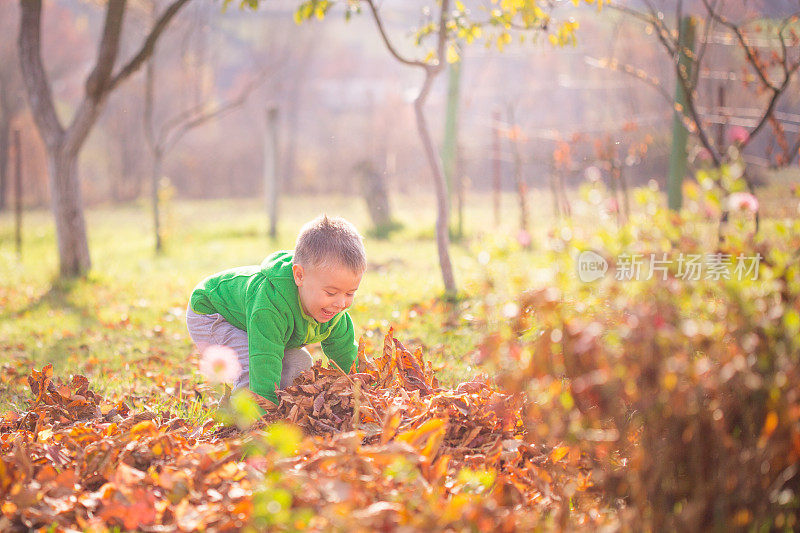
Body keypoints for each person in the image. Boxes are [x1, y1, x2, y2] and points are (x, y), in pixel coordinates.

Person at [185, 215, 365, 408]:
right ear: (299, 276)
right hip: (211, 312)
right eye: (331, 293)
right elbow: (264, 361)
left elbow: (347, 358)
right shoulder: (270, 304)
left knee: (300, 361)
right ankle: (242, 420)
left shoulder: (334, 312)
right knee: (250, 366)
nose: (340, 303)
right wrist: (264, 415)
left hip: (250, 320)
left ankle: (244, 405)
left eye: (350, 293)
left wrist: (361, 394)